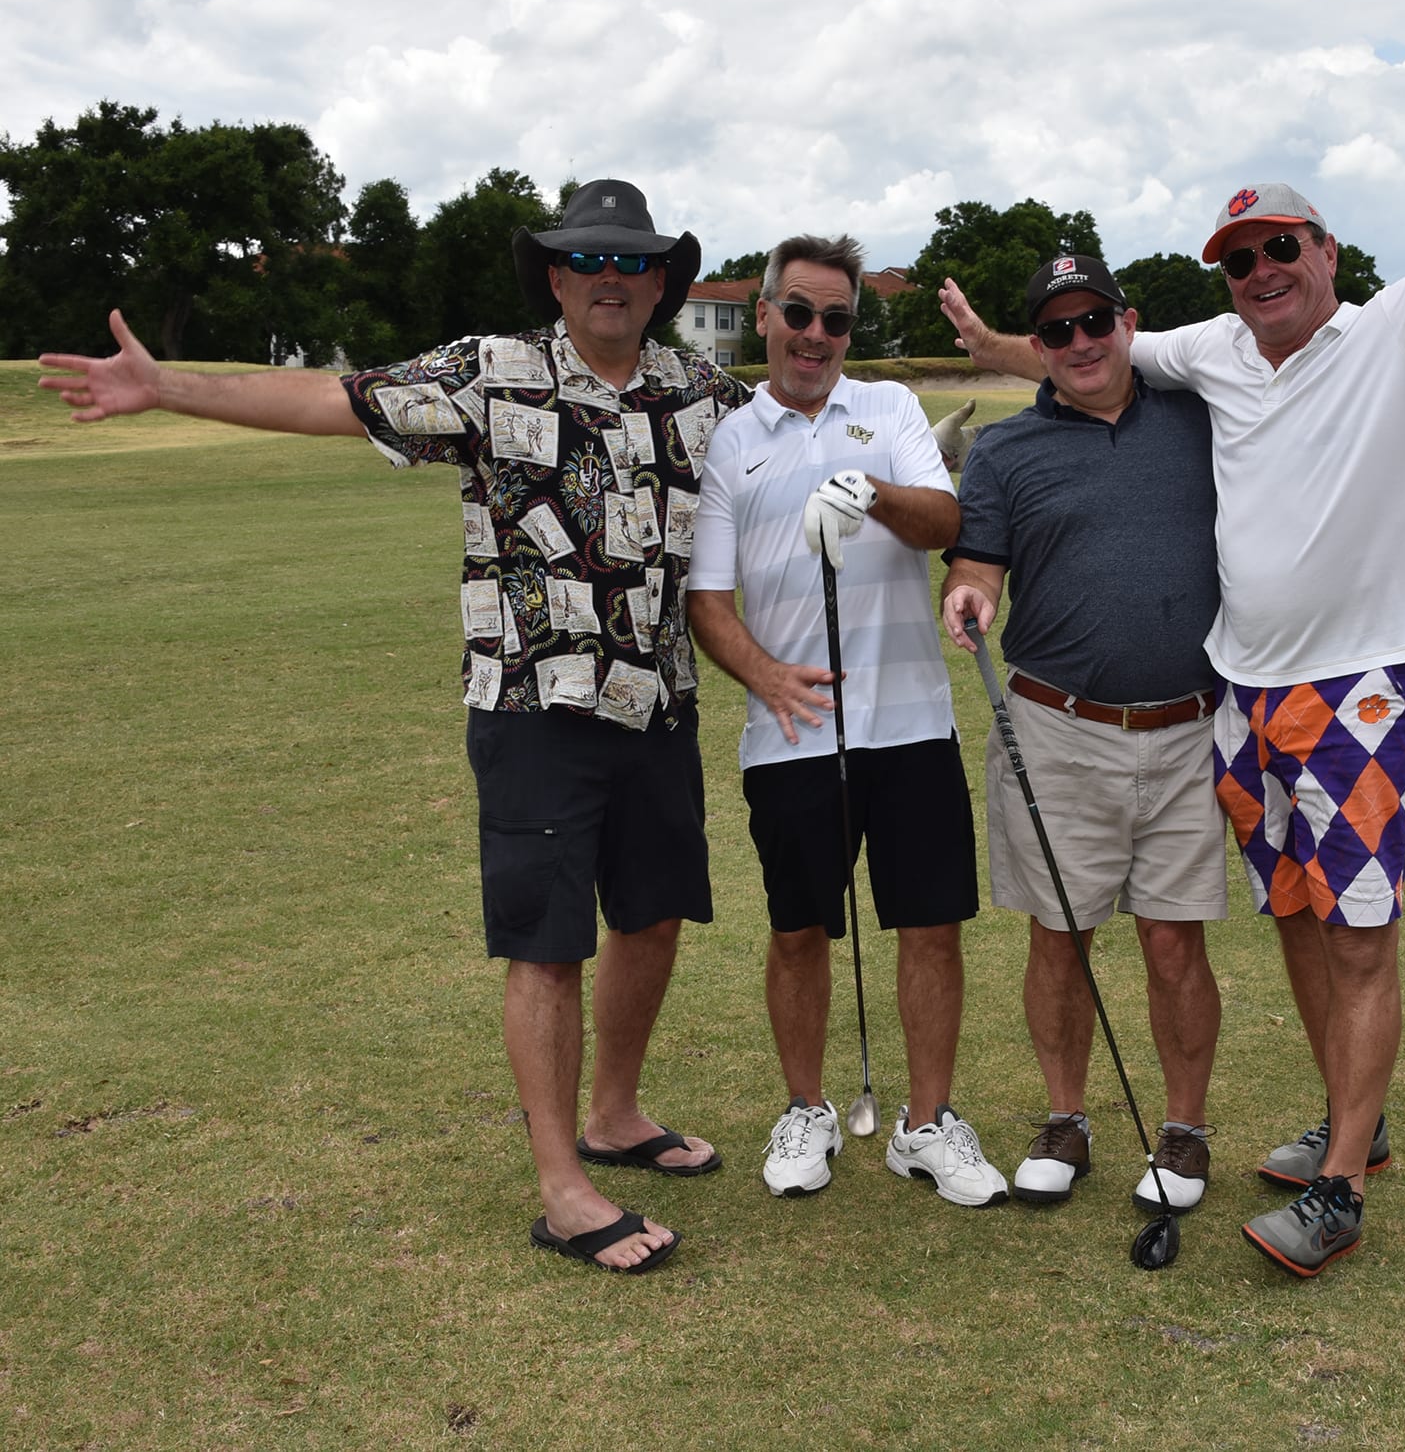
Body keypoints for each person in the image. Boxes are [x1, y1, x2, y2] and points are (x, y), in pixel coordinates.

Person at [938, 0, 1405, 1275]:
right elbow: (1081, 356)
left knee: (1363, 931)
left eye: (1282, 247)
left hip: (1364, 684)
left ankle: (1336, 1188)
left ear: (1327, 255)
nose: (1262, 269)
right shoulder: (1206, 348)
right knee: (1298, 920)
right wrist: (992, 339)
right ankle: (1349, 1126)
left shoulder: (1404, 333)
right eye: (1241, 258)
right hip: (1244, 694)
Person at [39, 179, 744, 1275]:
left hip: (657, 703)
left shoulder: (705, 392)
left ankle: (613, 1115)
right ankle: (563, 1187)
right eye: (588, 262)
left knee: (651, 917)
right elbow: (333, 400)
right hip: (530, 706)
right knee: (546, 944)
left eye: (631, 262)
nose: (611, 279)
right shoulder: (486, 374)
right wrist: (166, 386)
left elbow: (805, 460)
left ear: (661, 281)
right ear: (556, 278)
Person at [687, 233, 1008, 1208]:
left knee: (930, 926)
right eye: (798, 313)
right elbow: (708, 599)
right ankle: (806, 1109)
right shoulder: (730, 440)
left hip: (907, 723)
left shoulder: (890, 409)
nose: (815, 334)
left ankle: (924, 1123)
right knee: (798, 931)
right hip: (791, 736)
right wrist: (767, 678)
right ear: (764, 316)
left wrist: (870, 493)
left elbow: (946, 524)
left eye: (835, 319)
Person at [939, 254, 1226, 1215]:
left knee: (1174, 943)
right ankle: (1066, 1119)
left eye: (1092, 321)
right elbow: (977, 564)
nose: (1078, 343)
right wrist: (970, 596)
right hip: (1056, 727)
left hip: (1188, 728)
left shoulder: (1197, 416)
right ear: (1042, 347)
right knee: (1058, 937)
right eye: (1055, 331)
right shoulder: (1006, 452)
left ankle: (1182, 1132)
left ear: (1126, 320)